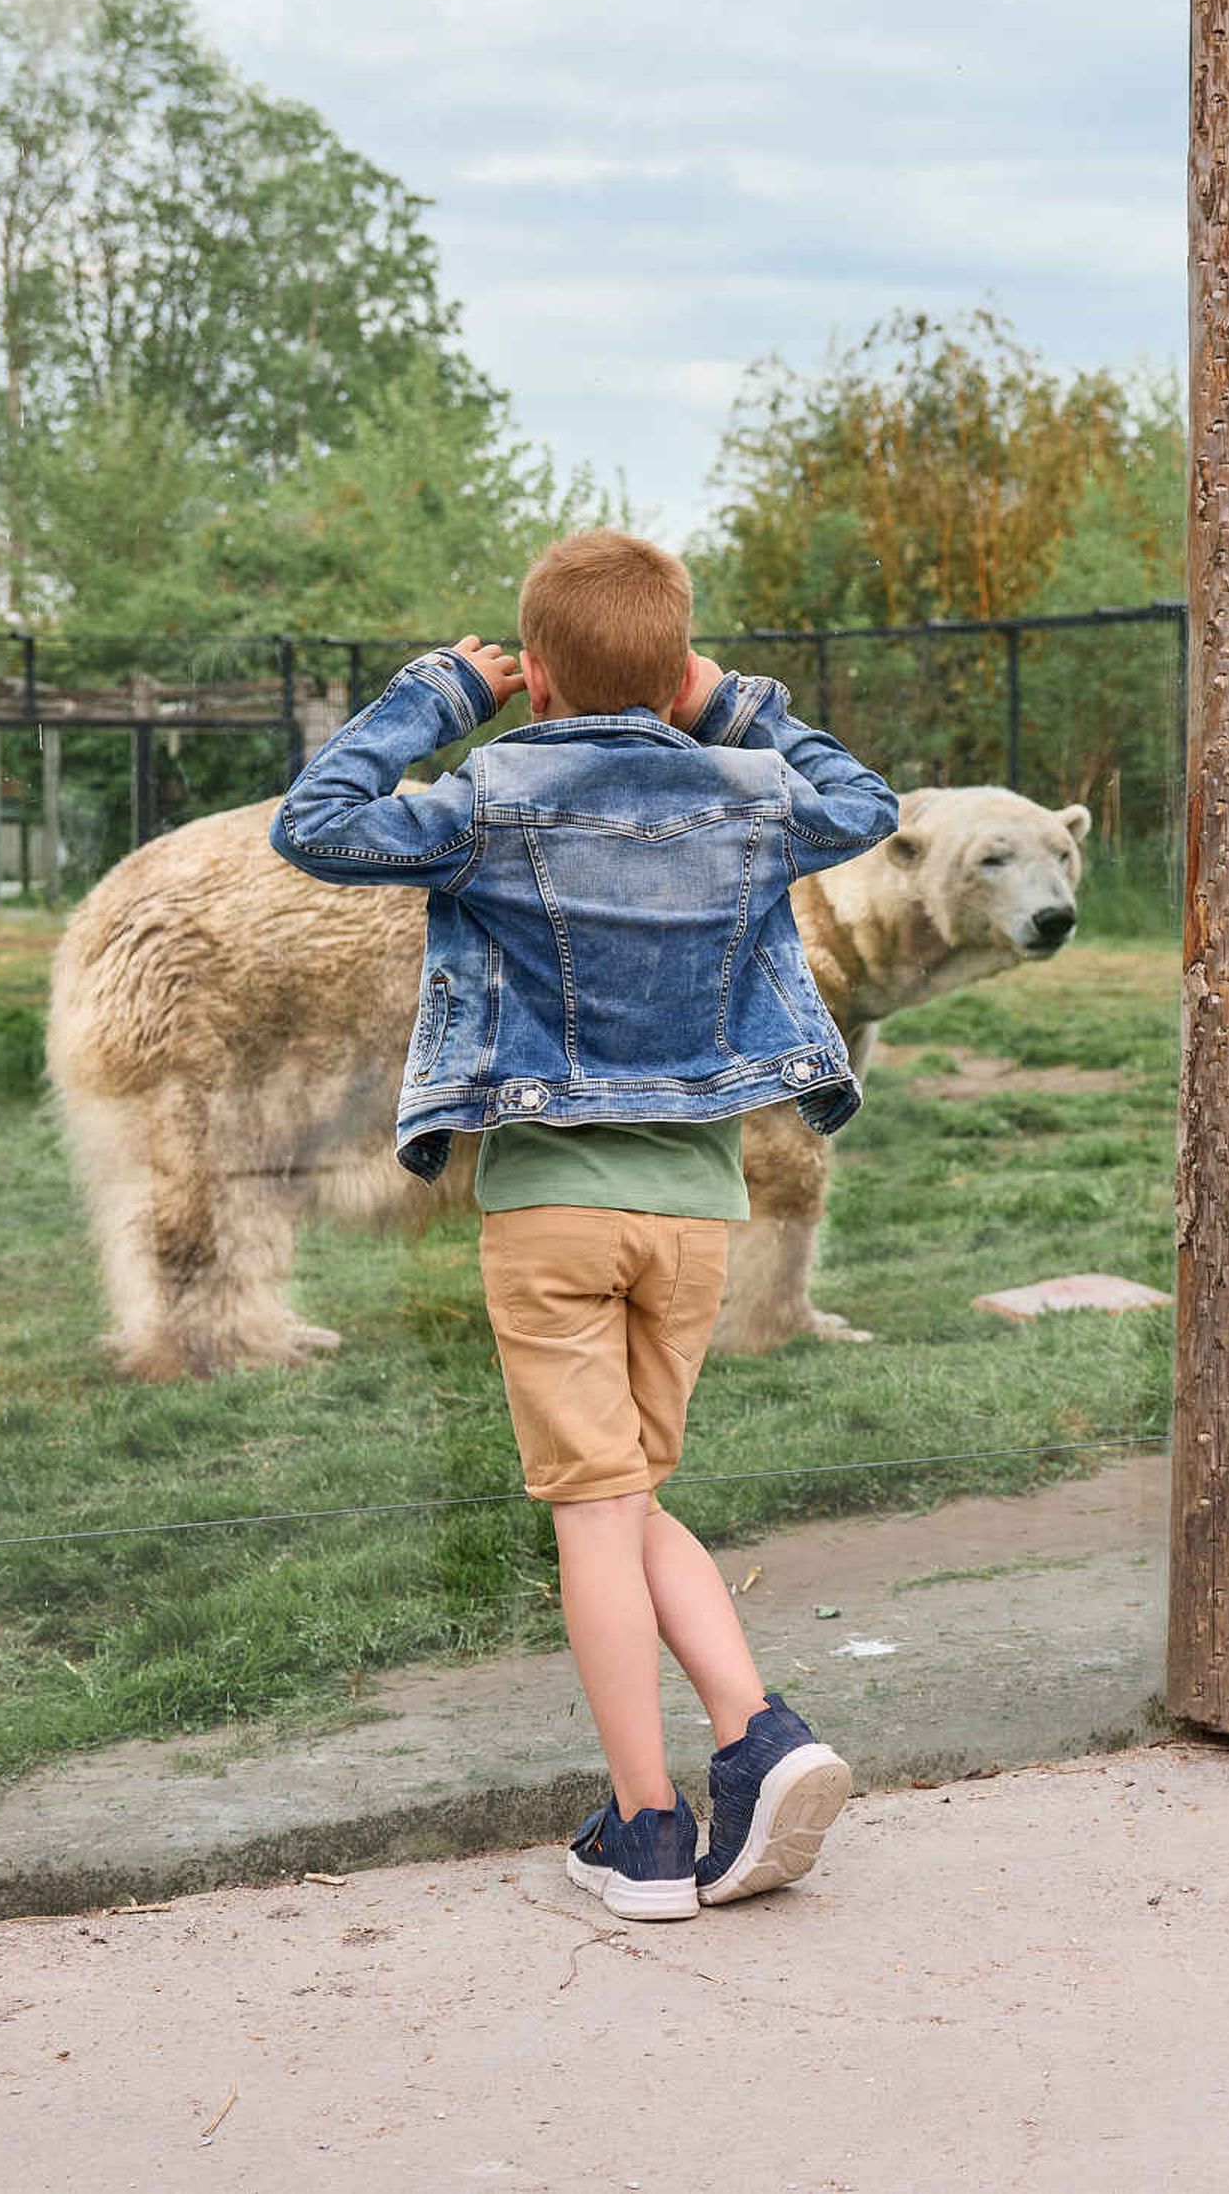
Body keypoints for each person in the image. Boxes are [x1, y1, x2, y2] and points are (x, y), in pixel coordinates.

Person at [271, 528, 894, 1919]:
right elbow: (867, 801)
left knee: (590, 1517)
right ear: (677, 671)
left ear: (534, 676)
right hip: (694, 1215)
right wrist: (736, 706)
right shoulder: (749, 793)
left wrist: (441, 692)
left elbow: (314, 823)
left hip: (550, 1207)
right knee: (621, 1496)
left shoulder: (489, 798)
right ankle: (755, 1734)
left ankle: (654, 1824)